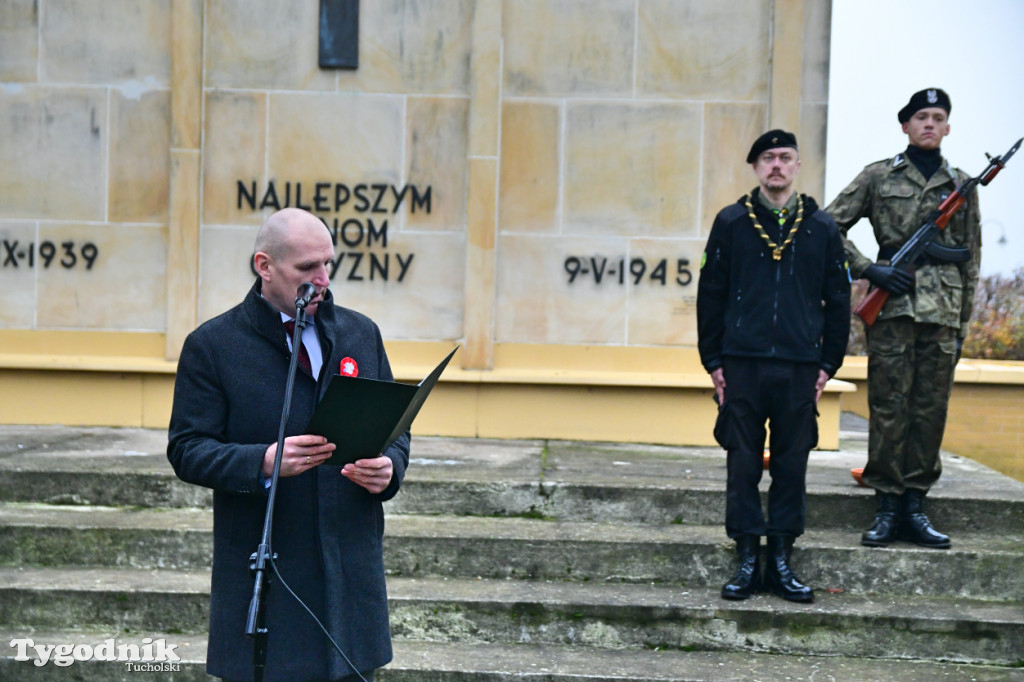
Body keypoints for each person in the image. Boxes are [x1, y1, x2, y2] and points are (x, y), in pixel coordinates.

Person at [167, 207, 409, 681]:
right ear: (265, 266)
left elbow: (396, 428)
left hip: (349, 566)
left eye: (328, 265)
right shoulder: (212, 345)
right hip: (269, 569)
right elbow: (187, 448)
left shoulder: (361, 332)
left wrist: (389, 468)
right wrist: (261, 460)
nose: (322, 279)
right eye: (306, 268)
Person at [697, 130, 850, 603]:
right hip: (742, 364)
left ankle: (781, 557)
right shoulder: (731, 222)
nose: (777, 165)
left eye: (786, 157)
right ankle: (747, 557)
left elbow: (839, 300)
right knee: (742, 461)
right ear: (756, 167)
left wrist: (828, 364)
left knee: (792, 462)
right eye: (768, 158)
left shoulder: (822, 228)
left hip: (799, 365)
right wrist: (714, 361)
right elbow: (710, 296)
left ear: (798, 166)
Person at [826, 88, 981, 550]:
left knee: (930, 410)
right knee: (890, 408)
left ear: (948, 127)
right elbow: (829, 224)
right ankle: (887, 505)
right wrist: (870, 270)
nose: (929, 123)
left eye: (938, 117)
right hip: (893, 309)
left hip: (944, 315)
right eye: (920, 117)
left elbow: (970, 257)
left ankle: (915, 503)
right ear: (905, 126)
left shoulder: (963, 184)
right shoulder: (877, 176)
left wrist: (964, 323)